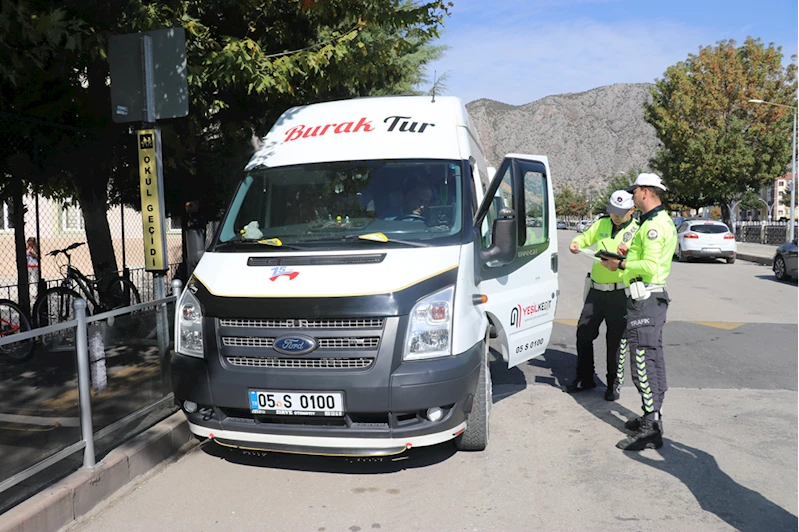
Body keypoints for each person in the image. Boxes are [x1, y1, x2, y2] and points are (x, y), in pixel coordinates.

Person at [600, 173, 677, 451]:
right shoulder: (657, 221)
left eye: (634, 192)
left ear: (645, 191)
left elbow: (650, 266)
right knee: (653, 359)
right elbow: (645, 258)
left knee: (643, 362)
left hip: (646, 298)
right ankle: (652, 415)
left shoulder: (654, 225)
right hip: (648, 298)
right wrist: (627, 254)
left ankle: (651, 427)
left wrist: (620, 266)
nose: (632, 196)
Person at [563, 190, 638, 401]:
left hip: (619, 293)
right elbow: (586, 237)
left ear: (631, 210)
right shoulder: (602, 224)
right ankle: (585, 377)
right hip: (596, 291)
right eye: (613, 211)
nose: (615, 215)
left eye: (620, 212)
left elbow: (640, 260)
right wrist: (577, 243)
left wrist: (626, 257)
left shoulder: (638, 230)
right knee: (583, 333)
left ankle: (613, 384)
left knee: (615, 342)